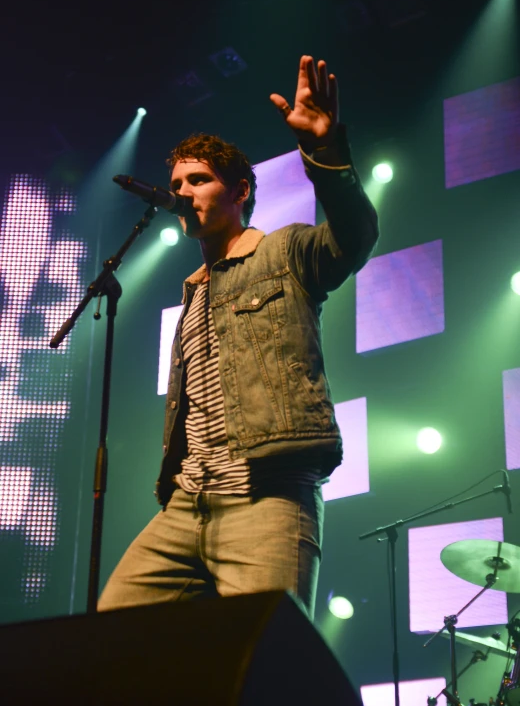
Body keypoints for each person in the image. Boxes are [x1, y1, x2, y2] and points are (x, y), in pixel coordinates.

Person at [98, 55, 379, 620]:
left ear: (240, 191)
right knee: (111, 641)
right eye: (177, 183)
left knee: (266, 667)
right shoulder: (192, 290)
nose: (183, 191)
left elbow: (354, 236)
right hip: (184, 504)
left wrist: (324, 151)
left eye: (199, 180)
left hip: (267, 496)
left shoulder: (284, 251)